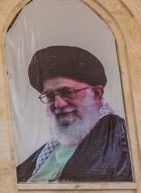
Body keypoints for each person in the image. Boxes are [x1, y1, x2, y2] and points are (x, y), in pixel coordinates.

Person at [16, 45, 131, 182]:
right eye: (50, 96)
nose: (59, 104)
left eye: (67, 92)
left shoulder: (118, 137)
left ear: (96, 93)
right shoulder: (50, 149)